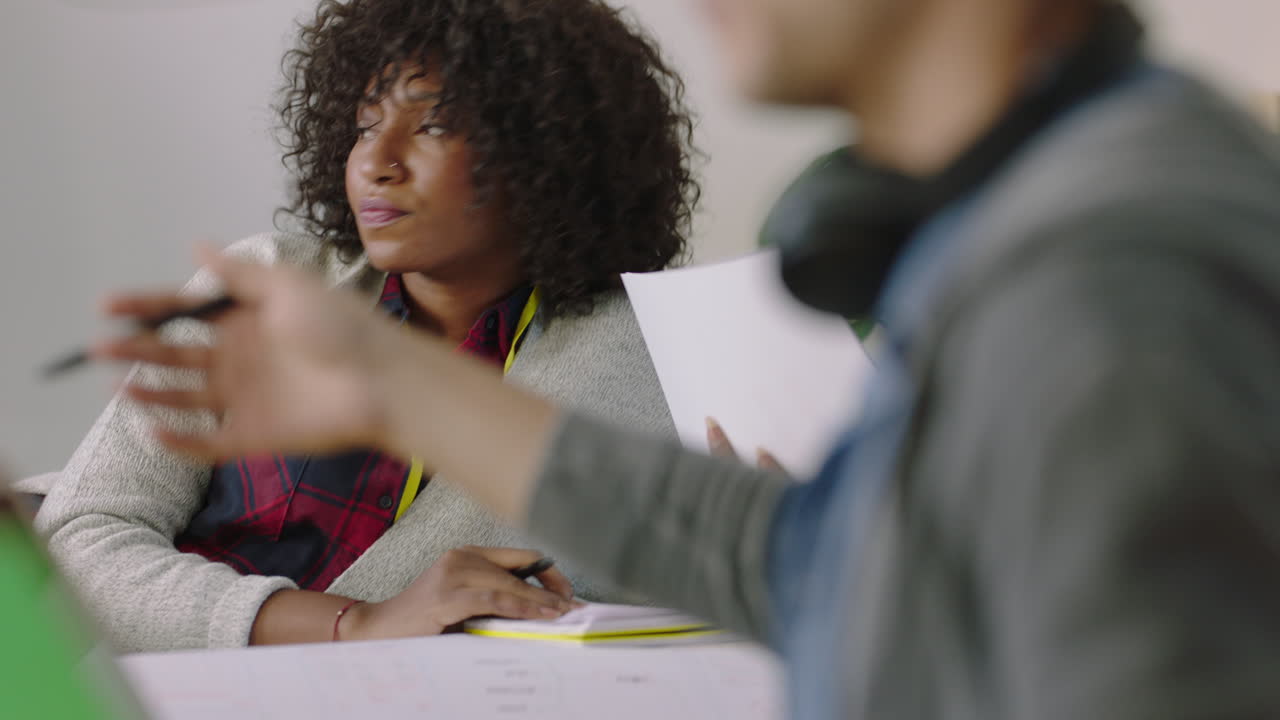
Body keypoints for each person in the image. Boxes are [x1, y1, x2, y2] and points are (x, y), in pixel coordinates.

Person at [89, 0, 1280, 718]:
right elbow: (814, 565)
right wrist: (395, 379)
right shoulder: (1000, 231)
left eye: (436, 122)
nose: (379, 159)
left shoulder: (1108, 281)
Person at [36, 0, 698, 652]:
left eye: (434, 124)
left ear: (549, 147)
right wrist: (351, 624)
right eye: (364, 122)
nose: (377, 160)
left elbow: (626, 592)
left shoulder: (639, 360)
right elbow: (77, 548)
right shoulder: (263, 285)